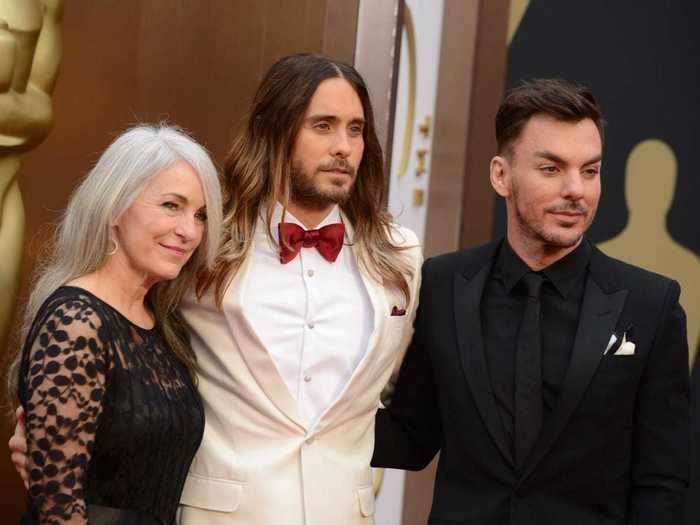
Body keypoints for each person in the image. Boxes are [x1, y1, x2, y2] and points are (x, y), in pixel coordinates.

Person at [11, 54, 422, 524]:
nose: (344, 146)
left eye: (355, 129)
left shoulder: (401, 257)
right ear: (277, 132)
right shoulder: (207, 243)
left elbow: (397, 401)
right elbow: (119, 332)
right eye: (323, 126)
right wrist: (54, 439)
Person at [372, 79, 690, 524]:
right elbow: (412, 436)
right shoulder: (444, 284)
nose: (576, 190)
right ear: (501, 175)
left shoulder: (650, 304)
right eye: (551, 169)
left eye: (590, 170)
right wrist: (294, 412)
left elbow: (663, 481)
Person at [6, 124, 223, 524]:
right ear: (115, 205)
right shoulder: (76, 322)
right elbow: (57, 509)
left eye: (201, 215)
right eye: (171, 206)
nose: (189, 231)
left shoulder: (165, 327)